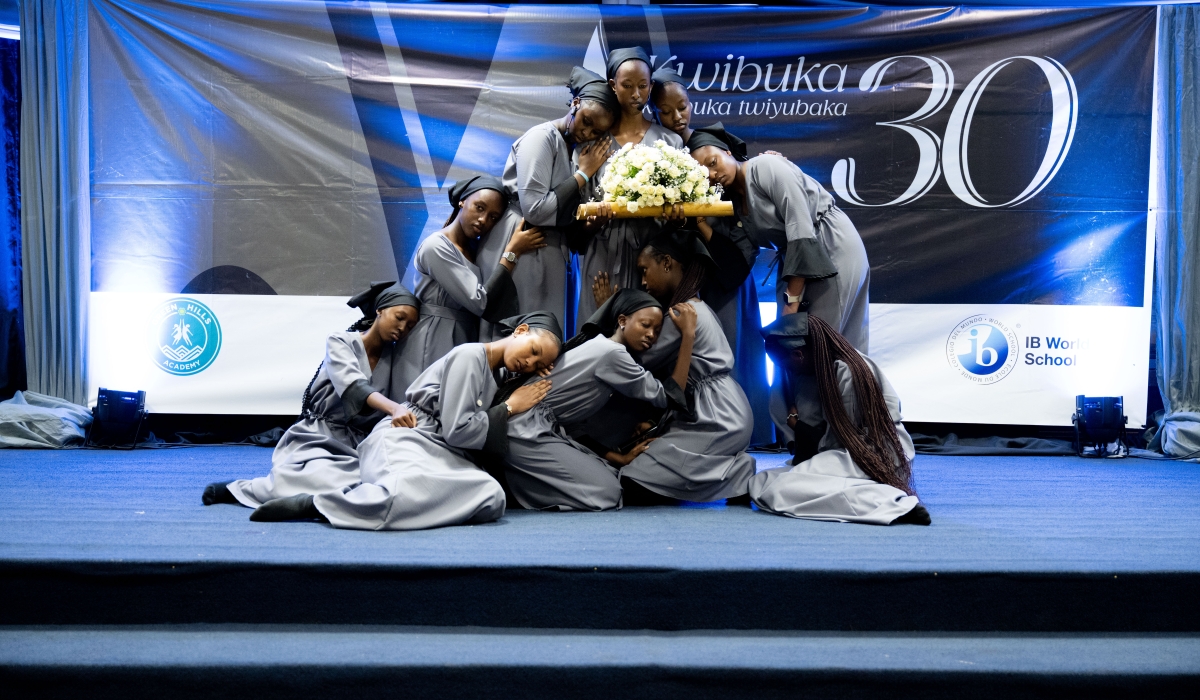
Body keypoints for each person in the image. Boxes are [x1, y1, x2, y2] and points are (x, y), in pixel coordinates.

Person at [249, 312, 563, 530]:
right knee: (398, 495)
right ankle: (318, 504)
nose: (530, 363)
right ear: (520, 331)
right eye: (534, 351)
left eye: (540, 365)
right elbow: (458, 432)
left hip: (441, 451)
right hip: (408, 435)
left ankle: (381, 499)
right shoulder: (470, 355)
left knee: (490, 496)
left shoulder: (496, 375)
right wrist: (509, 407)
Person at [689, 123, 870, 445]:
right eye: (702, 172)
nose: (711, 174)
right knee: (802, 349)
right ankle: (815, 436)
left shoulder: (765, 167)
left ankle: (849, 434)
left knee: (823, 346)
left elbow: (801, 225)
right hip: (796, 262)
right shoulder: (734, 205)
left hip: (829, 245)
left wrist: (793, 298)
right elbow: (735, 264)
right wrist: (700, 223)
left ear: (728, 153)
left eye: (713, 162)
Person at [202, 282, 420, 508]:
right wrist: (394, 408)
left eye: (410, 325)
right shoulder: (341, 341)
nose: (403, 327)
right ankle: (238, 489)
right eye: (399, 317)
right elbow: (354, 386)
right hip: (320, 435)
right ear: (380, 310)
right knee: (315, 476)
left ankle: (308, 504)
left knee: (375, 480)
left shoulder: (394, 358)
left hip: (359, 441)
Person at [499, 289, 695, 511]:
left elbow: (573, 427)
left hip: (529, 428)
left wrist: (617, 458)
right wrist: (688, 336)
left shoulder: (601, 347)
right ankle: (515, 492)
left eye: (657, 331)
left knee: (610, 473)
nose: (651, 334)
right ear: (622, 321)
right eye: (645, 325)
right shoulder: (612, 354)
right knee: (608, 493)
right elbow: (667, 397)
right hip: (524, 431)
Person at [615, 228, 757, 503]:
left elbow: (639, 362)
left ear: (667, 263)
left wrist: (619, 323)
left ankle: (738, 474)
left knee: (634, 478)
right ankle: (734, 471)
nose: (643, 281)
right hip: (726, 409)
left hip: (717, 418)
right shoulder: (696, 305)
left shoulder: (682, 312)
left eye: (645, 270)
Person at [750, 312, 930, 525]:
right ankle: (876, 494)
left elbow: (842, 440)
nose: (787, 371)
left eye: (786, 365)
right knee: (761, 481)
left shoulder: (847, 370)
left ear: (798, 355)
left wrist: (797, 425)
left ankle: (893, 504)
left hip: (871, 454)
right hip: (837, 452)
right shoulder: (816, 368)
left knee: (782, 489)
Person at [478, 67, 618, 339]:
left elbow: (567, 213)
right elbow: (536, 208)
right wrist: (583, 174)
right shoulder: (541, 137)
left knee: (545, 337)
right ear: (575, 104)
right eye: (586, 121)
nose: (587, 132)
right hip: (525, 240)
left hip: (551, 247)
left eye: (596, 131)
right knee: (519, 333)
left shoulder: (575, 150)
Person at [395, 176, 543, 383]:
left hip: (462, 333)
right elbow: (479, 301)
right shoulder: (436, 246)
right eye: (479, 208)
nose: (483, 220)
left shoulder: (475, 249)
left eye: (493, 217)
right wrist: (512, 253)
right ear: (462, 202)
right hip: (431, 337)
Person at [574, 47, 685, 324]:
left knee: (647, 335)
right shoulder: (593, 142)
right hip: (603, 257)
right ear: (613, 85)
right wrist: (595, 222)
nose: (636, 94)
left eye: (643, 86)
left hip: (650, 258)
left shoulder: (670, 141)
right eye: (627, 86)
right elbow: (577, 221)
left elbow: (681, 214)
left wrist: (676, 217)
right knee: (596, 331)